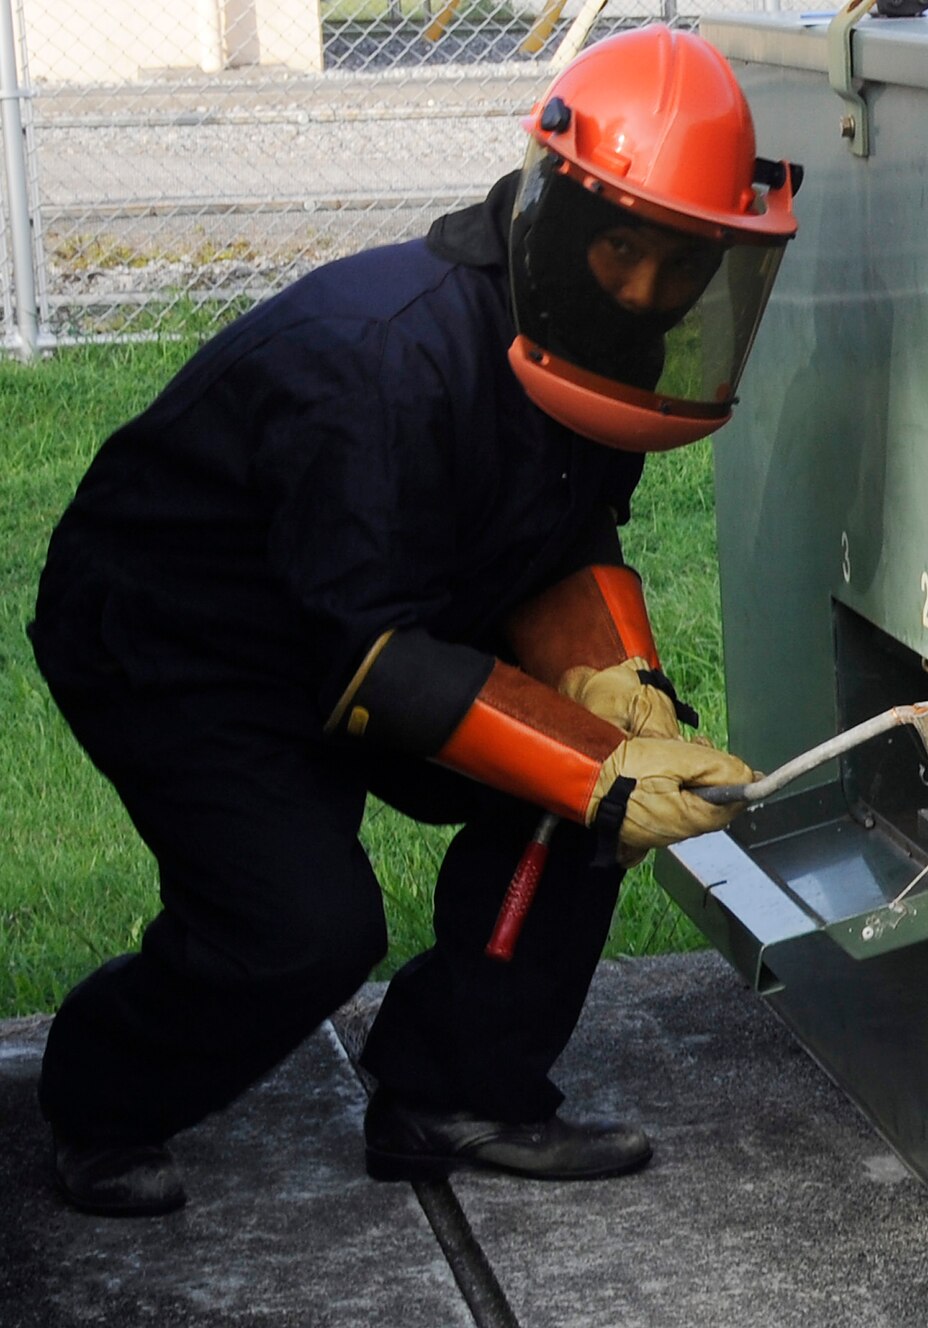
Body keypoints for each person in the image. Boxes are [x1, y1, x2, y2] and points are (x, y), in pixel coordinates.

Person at [26, 24, 799, 1217]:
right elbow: (367, 654)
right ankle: (100, 1095)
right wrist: (593, 765)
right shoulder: (379, 360)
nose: (649, 292)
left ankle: (454, 1093)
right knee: (304, 929)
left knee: (579, 798)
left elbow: (562, 534)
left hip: (386, 617)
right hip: (177, 639)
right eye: (623, 250)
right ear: (558, 207)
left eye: (682, 262)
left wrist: (620, 684)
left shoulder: (593, 334)